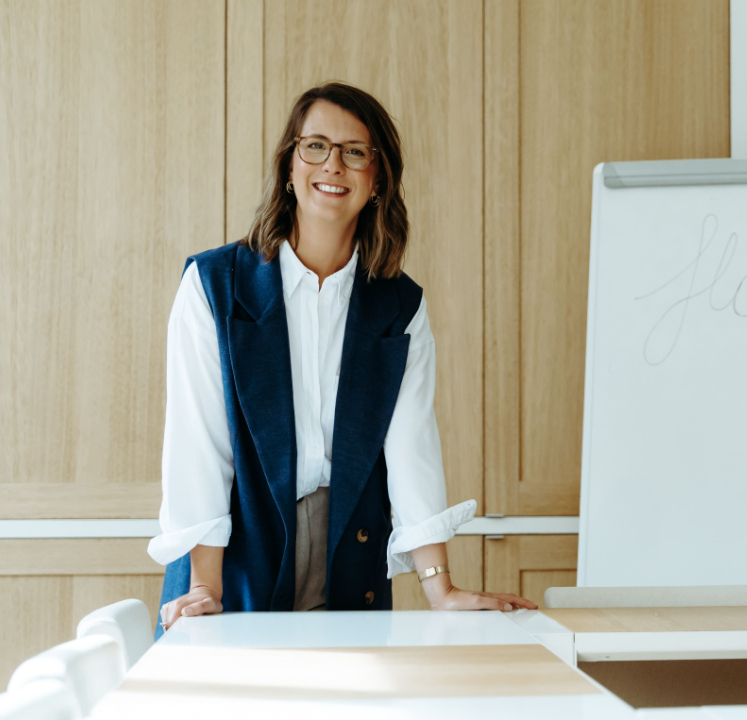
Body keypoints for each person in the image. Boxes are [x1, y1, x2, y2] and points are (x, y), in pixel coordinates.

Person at [149, 82, 535, 634]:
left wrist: (441, 589)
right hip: (235, 557)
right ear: (289, 167)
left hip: (348, 554)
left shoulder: (399, 306)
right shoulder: (214, 286)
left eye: (355, 152)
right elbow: (199, 445)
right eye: (315, 146)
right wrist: (205, 587)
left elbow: (411, 447)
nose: (333, 164)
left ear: (377, 180)